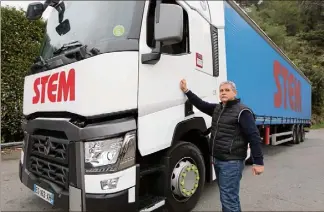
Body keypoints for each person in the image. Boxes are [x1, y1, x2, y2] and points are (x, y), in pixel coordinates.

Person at [179, 79, 264, 212]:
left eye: (227, 90)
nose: (223, 93)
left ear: (234, 93)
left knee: (228, 199)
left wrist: (258, 161)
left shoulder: (243, 111)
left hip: (232, 162)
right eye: (221, 90)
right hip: (218, 159)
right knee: (229, 197)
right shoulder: (218, 108)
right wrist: (186, 91)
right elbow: (201, 104)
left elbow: (254, 137)